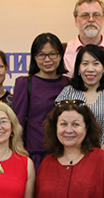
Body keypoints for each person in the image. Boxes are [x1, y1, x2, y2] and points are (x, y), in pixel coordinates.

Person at [11, 32, 69, 167]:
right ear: (34, 58)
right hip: (35, 155)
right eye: (41, 55)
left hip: (65, 154)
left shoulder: (69, 84)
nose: (47, 60)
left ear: (60, 55)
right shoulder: (25, 83)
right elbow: (17, 122)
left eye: (52, 54)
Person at [55, 44, 104, 155]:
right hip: (72, 156)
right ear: (78, 68)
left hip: (103, 156)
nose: (90, 69)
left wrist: (99, 154)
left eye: (96, 64)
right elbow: (58, 124)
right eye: (85, 64)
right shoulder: (67, 92)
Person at [64, 0, 104, 75]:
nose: (91, 19)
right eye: (85, 15)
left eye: (96, 15)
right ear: (76, 21)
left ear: (103, 20)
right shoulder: (64, 51)